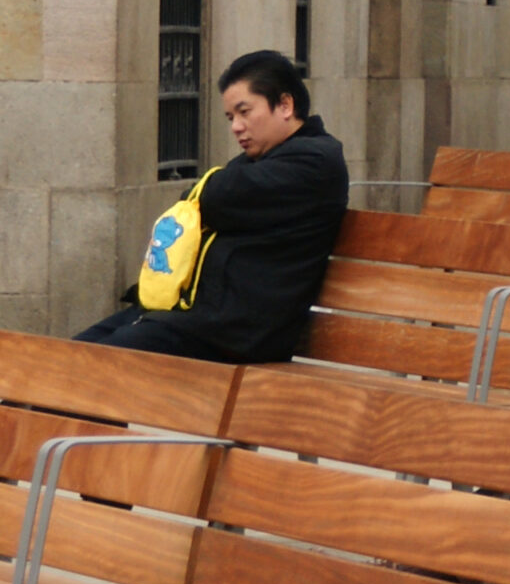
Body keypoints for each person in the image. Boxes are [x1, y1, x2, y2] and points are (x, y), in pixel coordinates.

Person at [73, 49, 348, 362]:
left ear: (285, 105)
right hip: (193, 316)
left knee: (93, 365)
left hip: (234, 331)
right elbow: (201, 198)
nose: (236, 127)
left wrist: (208, 194)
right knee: (59, 356)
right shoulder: (264, 160)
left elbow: (215, 197)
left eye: (245, 112)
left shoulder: (316, 161)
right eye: (231, 117)